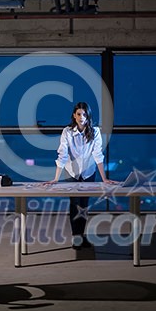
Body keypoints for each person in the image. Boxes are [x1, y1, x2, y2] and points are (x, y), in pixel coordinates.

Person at [45, 102, 117, 250]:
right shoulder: (67, 132)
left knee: (84, 205)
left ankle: (81, 236)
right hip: (71, 172)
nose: (81, 117)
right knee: (74, 204)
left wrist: (104, 178)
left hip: (89, 173)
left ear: (88, 116)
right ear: (74, 115)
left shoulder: (95, 132)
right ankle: (76, 238)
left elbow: (98, 155)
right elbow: (62, 154)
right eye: (78, 114)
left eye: (84, 114)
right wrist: (56, 178)